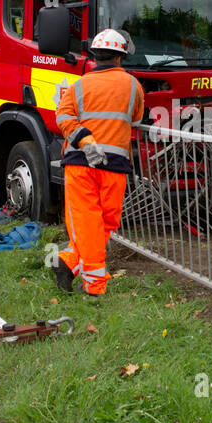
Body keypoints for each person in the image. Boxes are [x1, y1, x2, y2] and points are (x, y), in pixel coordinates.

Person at [53, 28, 145, 296]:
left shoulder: (78, 85)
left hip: (80, 163)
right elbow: (136, 117)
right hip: (115, 166)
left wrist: (84, 140)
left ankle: (69, 262)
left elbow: (62, 117)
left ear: (94, 57)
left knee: (86, 221)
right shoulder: (133, 86)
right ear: (120, 57)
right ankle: (94, 284)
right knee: (106, 222)